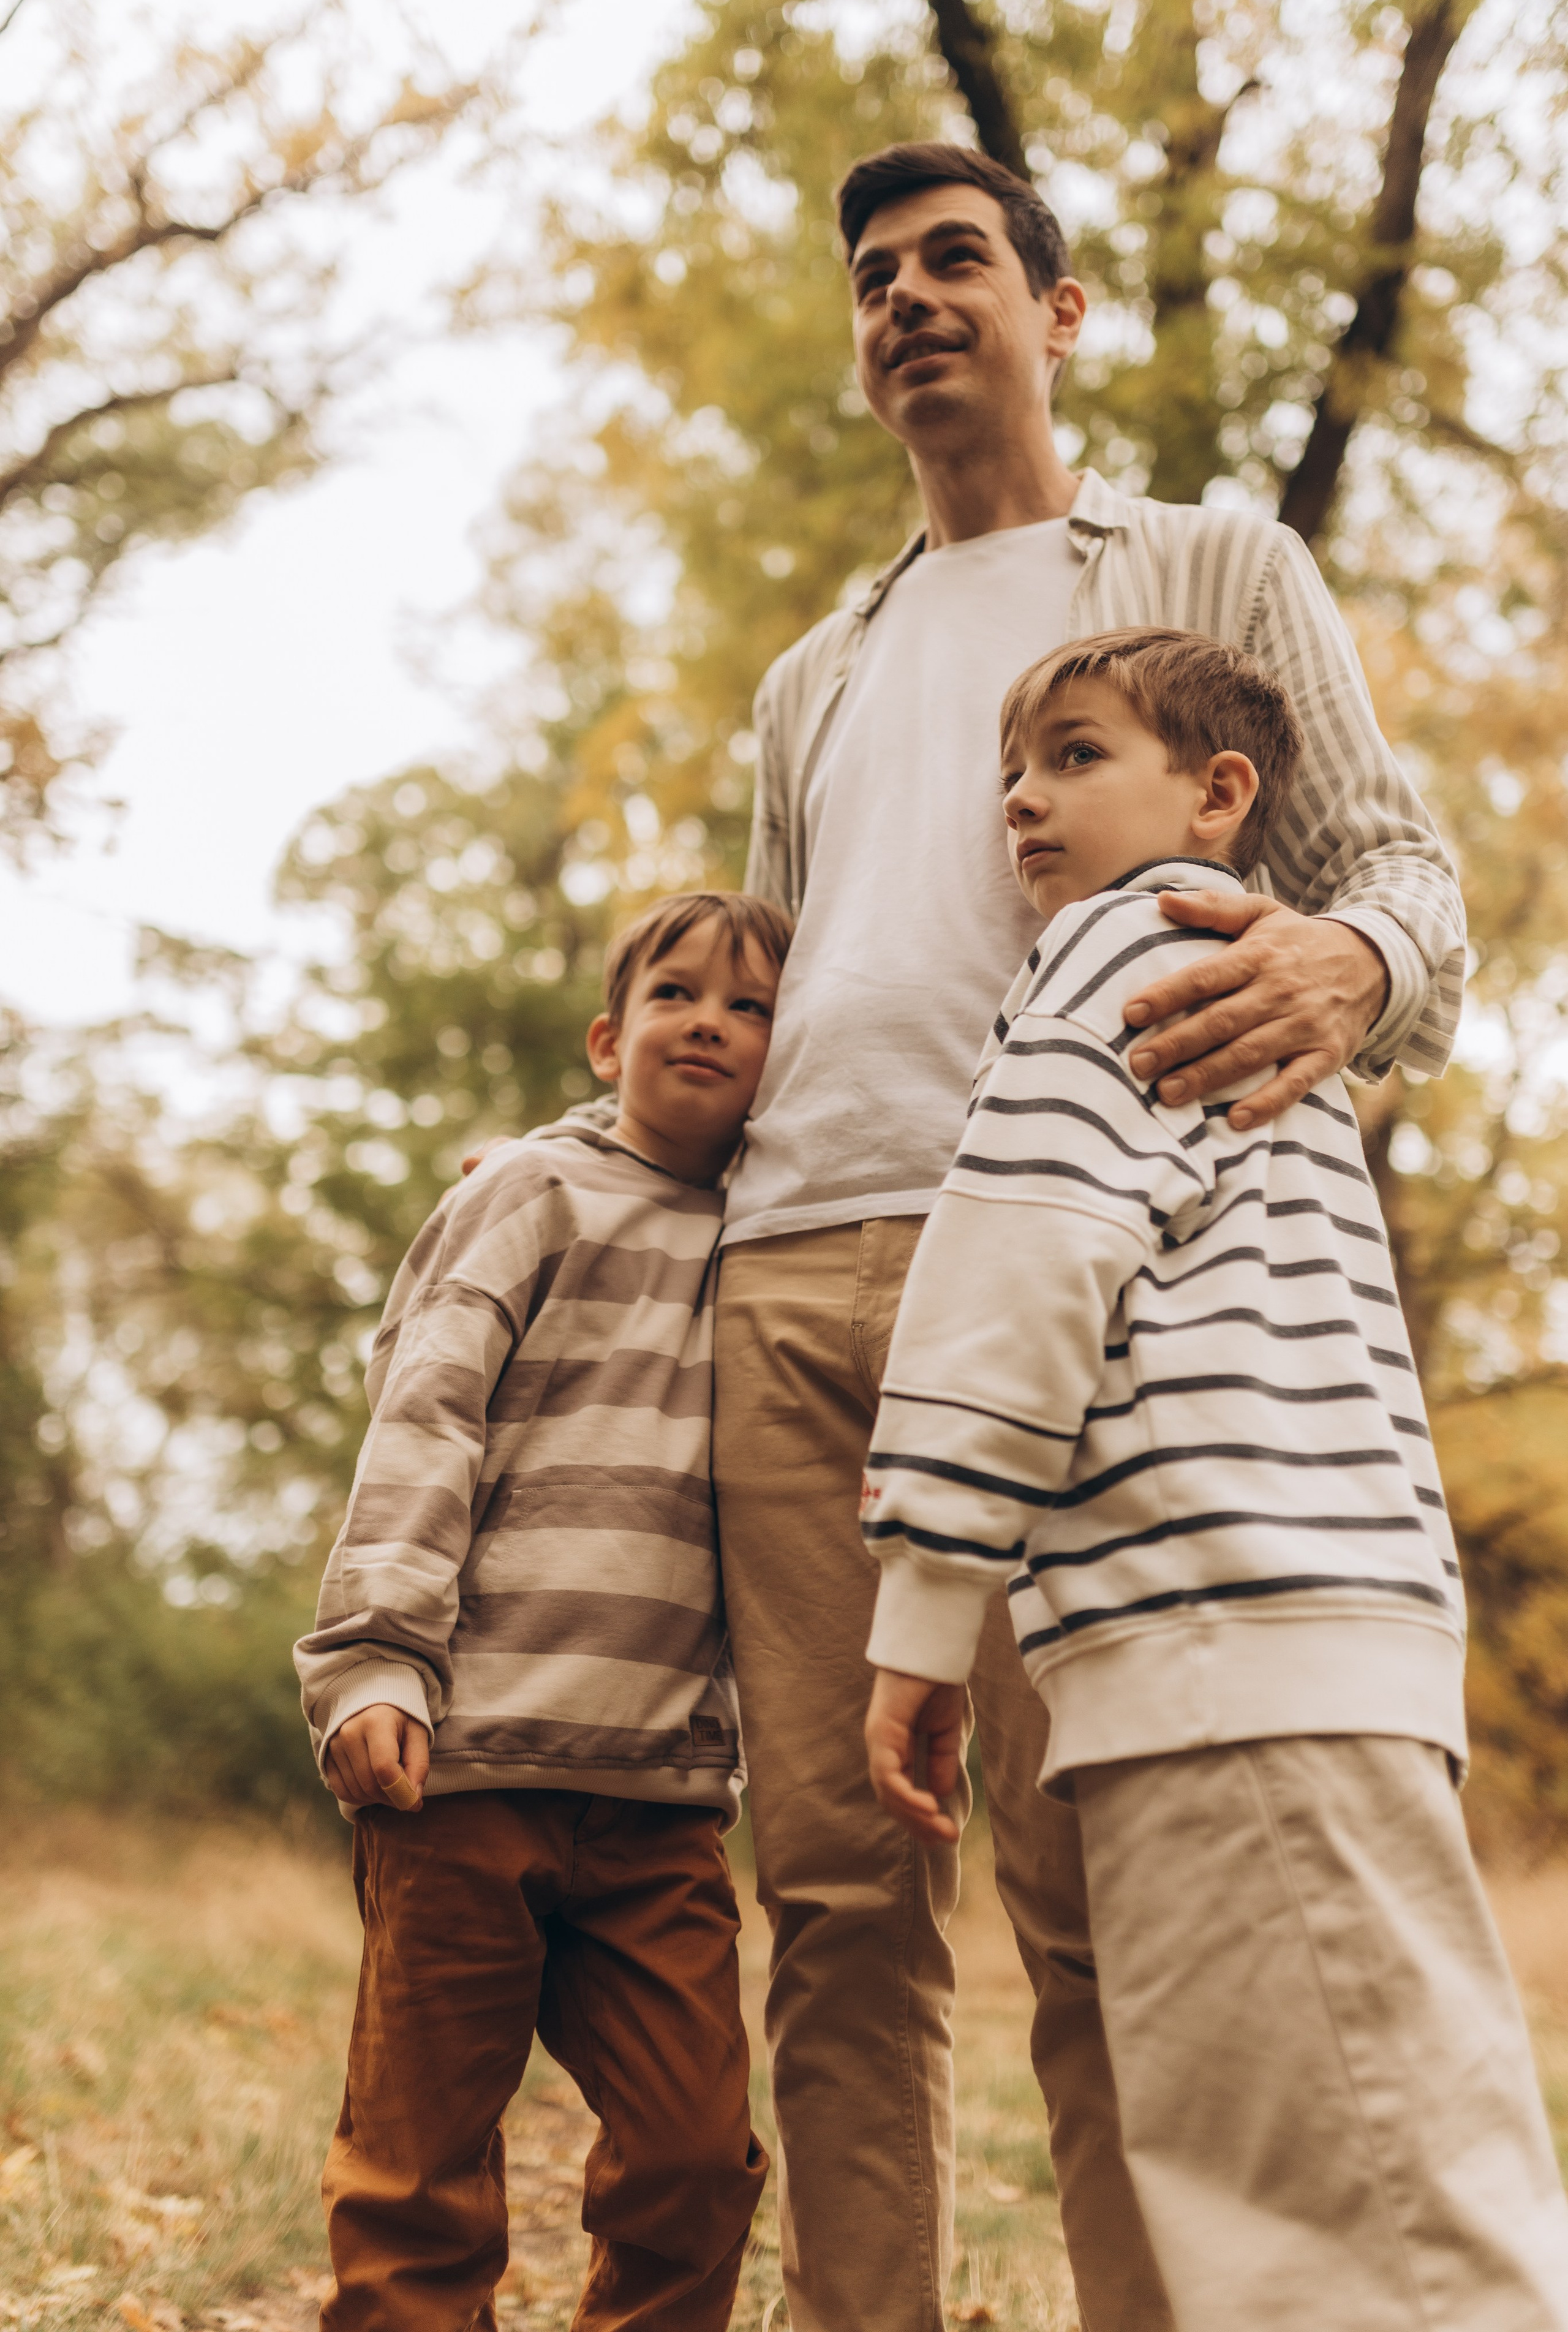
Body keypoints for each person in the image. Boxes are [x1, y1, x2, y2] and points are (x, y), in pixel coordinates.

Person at [714, 141, 1468, 2330]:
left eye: (955, 258)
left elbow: (1402, 870)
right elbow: (764, 976)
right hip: (791, 1281)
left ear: (1056, 313)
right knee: (836, 1902)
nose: (907, 296)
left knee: (1102, 1888)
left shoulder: (1214, 564)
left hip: (1078, 1276)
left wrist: (1354, 965)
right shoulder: (815, 674)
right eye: (874, 274)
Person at [860, 624, 1568, 2331]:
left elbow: (1019, 1268)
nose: (1021, 798)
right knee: (1316, 2192)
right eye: (1011, 769)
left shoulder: (1131, 952)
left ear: (1218, 793)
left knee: (1357, 2229)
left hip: (1226, 1648)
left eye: (1076, 755)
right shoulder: (1249, 997)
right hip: (1279, 1656)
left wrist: (925, 1613)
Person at [294, 890, 790, 2332]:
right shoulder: (529, 1193)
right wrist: (375, 1660)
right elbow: (424, 1411)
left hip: (657, 1799)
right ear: (605, 1041)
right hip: (465, 1770)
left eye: (751, 1006)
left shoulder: (771, 1236)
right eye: (674, 994)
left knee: (694, 2158)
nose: (709, 1022)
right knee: (419, 2167)